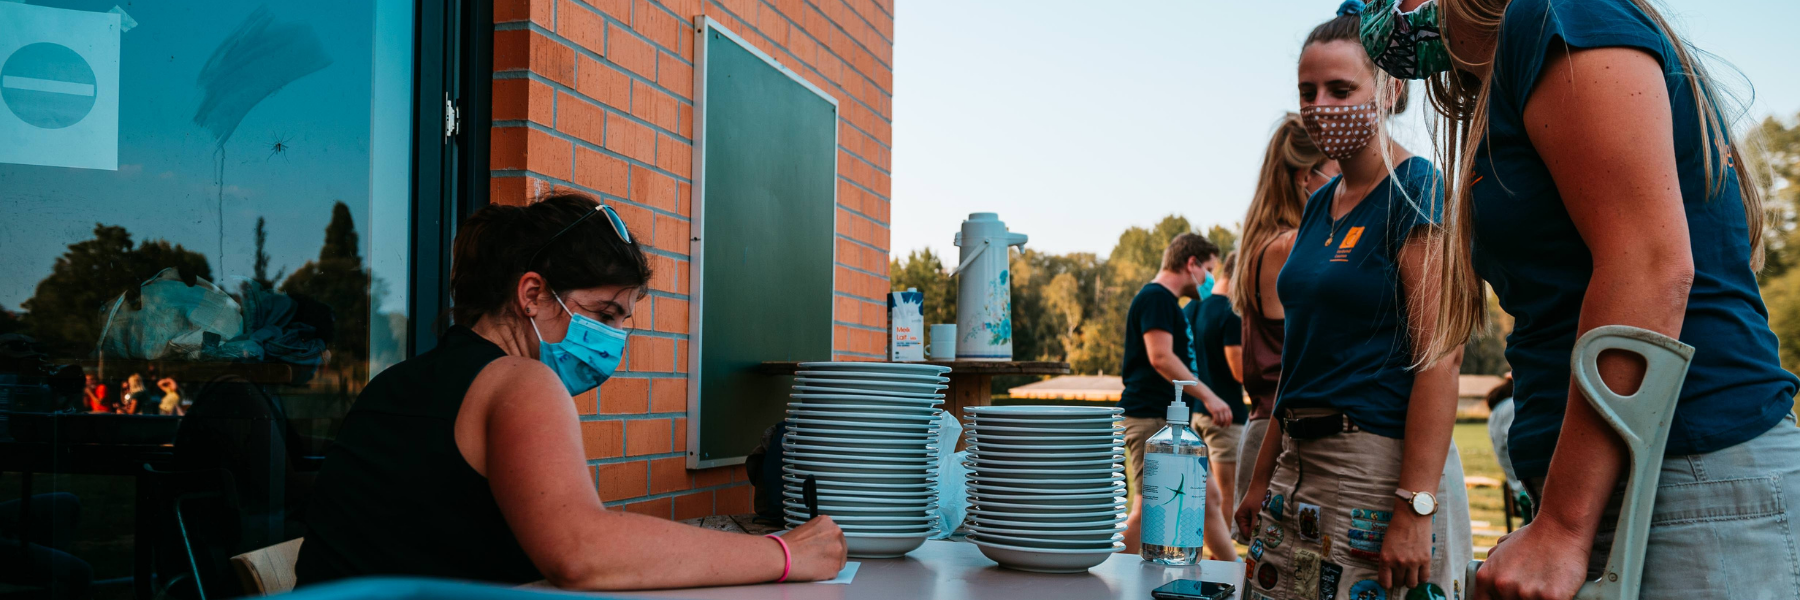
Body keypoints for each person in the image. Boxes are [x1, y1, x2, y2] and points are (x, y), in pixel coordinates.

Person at [1363, 0, 1800, 596]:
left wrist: (1564, 527)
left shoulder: (1562, 12)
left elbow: (1648, 268)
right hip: (1636, 483)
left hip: (1681, 478)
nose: (1376, 13)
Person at [297, 193, 847, 588]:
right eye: (603, 313)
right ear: (532, 294)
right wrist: (782, 552)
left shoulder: (397, 382)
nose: (612, 338)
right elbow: (583, 551)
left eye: (622, 321)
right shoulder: (519, 381)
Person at [1233, 4, 1471, 598]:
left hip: (1371, 467)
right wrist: (1261, 476)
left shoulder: (1416, 188)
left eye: (1341, 89)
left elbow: (1441, 357)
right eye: (1307, 92)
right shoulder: (1319, 204)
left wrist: (1415, 509)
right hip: (1296, 463)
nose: (1320, 107)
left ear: (1389, 89)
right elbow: (1298, 357)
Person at [1227, 113, 1337, 526]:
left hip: (1265, 426)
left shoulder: (1263, 241)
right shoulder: (1293, 245)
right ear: (1308, 176)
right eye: (1336, 170)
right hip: (1282, 437)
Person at [1119, 232, 1236, 559]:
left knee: (1208, 498)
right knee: (1147, 513)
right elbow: (1160, 357)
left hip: (1170, 421)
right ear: (1192, 264)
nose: (1210, 278)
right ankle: (1100, 580)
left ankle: (1237, 576)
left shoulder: (1168, 303)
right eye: (1209, 269)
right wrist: (1210, 397)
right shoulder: (1156, 298)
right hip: (1150, 419)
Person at [1183, 251, 1245, 533]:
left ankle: (1206, 553)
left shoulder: (1191, 309)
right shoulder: (1231, 313)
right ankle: (1220, 561)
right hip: (1226, 417)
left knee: (1199, 497)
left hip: (1194, 414)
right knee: (1224, 496)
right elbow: (1239, 371)